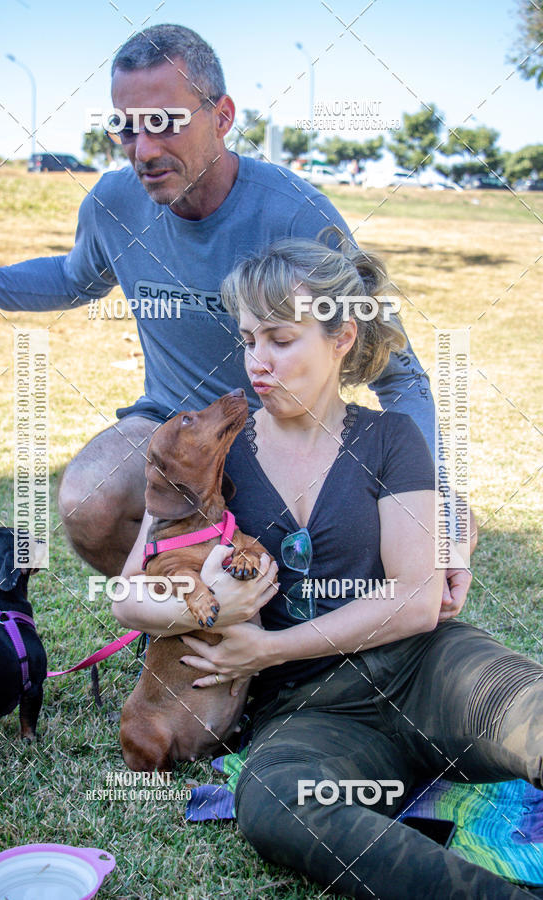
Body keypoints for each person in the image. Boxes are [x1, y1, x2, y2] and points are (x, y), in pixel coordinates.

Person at [113, 233, 541, 898]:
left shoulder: (390, 437)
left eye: (280, 339)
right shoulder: (216, 450)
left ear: (341, 337)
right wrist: (203, 609)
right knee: (276, 803)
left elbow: (417, 600)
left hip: (429, 669)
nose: (258, 361)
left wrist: (265, 647)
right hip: (311, 714)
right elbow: (126, 598)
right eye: (249, 339)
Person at [0, 24, 440, 580]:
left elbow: (401, 376)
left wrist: (432, 502)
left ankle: (270, 629)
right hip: (178, 425)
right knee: (90, 499)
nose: (144, 150)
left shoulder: (296, 215)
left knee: (331, 553)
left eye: (165, 124)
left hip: (288, 429)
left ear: (222, 116)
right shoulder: (113, 204)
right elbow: (69, 278)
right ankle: (174, 620)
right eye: (126, 128)